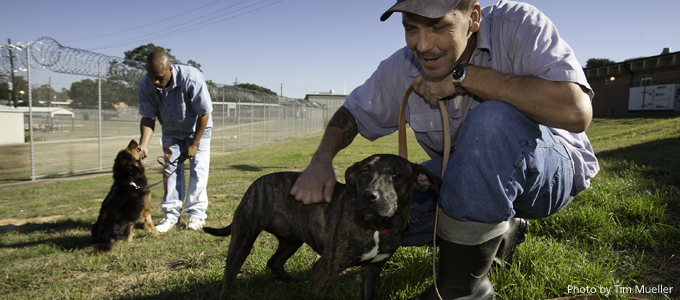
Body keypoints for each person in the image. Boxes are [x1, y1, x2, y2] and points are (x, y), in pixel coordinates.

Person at [289, 0, 600, 299]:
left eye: (438, 27)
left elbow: (575, 112)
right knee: (382, 215)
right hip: (465, 177)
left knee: (491, 120)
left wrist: (465, 78)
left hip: (551, 171)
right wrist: (321, 161)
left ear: (474, 18)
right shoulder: (403, 66)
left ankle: (462, 290)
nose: (422, 45)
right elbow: (353, 113)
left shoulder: (517, 24)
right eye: (411, 28)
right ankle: (501, 228)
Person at [137, 51, 213, 232]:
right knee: (170, 173)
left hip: (198, 130)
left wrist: (194, 144)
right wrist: (143, 145)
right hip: (171, 132)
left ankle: (196, 215)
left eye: (160, 77)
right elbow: (148, 118)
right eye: (151, 76)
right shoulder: (145, 85)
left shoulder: (191, 78)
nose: (155, 82)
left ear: (170, 69)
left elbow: (204, 113)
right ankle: (171, 217)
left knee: (198, 172)